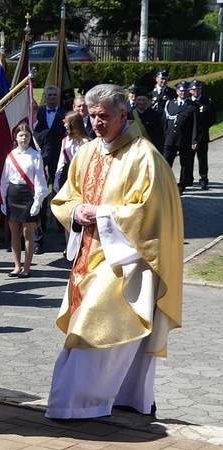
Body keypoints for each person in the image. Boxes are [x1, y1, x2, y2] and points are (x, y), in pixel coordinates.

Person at [46, 83, 183, 419]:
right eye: (92, 116)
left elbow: (150, 213)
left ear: (124, 114)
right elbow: (65, 197)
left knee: (94, 325)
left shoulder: (144, 156)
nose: (97, 122)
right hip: (87, 255)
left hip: (126, 262)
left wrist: (103, 213)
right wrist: (76, 211)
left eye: (104, 116)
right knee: (93, 324)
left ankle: (79, 404)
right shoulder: (87, 152)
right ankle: (114, 398)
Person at [0, 123, 48, 278]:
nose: (24, 138)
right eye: (21, 135)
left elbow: (40, 179)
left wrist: (37, 201)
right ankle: (16, 266)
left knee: (28, 233)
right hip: (13, 194)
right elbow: (4, 180)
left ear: (30, 138)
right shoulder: (10, 156)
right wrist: (3, 199)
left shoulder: (35, 155)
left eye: (26, 135)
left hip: (28, 195)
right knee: (14, 233)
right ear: (16, 137)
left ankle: (27, 267)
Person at [33, 85, 67, 254]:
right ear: (45, 97)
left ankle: (61, 225)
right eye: (49, 95)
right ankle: (42, 227)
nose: (52, 97)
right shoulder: (37, 113)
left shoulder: (64, 114)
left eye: (55, 95)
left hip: (60, 158)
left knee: (60, 191)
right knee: (42, 193)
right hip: (42, 159)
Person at [54, 111, 91, 256]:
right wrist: (57, 179)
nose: (66, 127)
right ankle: (69, 243)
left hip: (81, 175)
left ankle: (81, 243)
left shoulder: (87, 142)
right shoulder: (65, 141)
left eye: (68, 124)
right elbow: (60, 161)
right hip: (67, 175)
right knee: (67, 210)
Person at [162, 80, 199, 194]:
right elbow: (164, 121)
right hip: (170, 139)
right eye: (180, 91)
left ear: (188, 92)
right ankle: (164, 183)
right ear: (177, 91)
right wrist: (165, 135)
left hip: (184, 139)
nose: (183, 93)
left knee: (185, 164)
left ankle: (182, 185)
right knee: (166, 162)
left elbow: (195, 125)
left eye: (185, 91)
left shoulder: (193, 106)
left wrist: (194, 140)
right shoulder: (170, 103)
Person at [189, 79, 216, 190]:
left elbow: (213, 118)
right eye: (194, 89)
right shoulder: (188, 102)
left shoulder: (207, 102)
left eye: (198, 89)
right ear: (190, 90)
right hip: (189, 135)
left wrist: (203, 128)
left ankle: (203, 179)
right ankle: (188, 178)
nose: (196, 91)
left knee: (202, 158)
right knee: (188, 158)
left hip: (202, 134)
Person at [127, 86, 164, 153]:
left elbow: (159, 134)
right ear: (135, 100)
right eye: (139, 100)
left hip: (152, 148)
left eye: (144, 100)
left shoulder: (155, 115)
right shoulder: (129, 115)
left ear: (148, 101)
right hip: (135, 148)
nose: (141, 102)